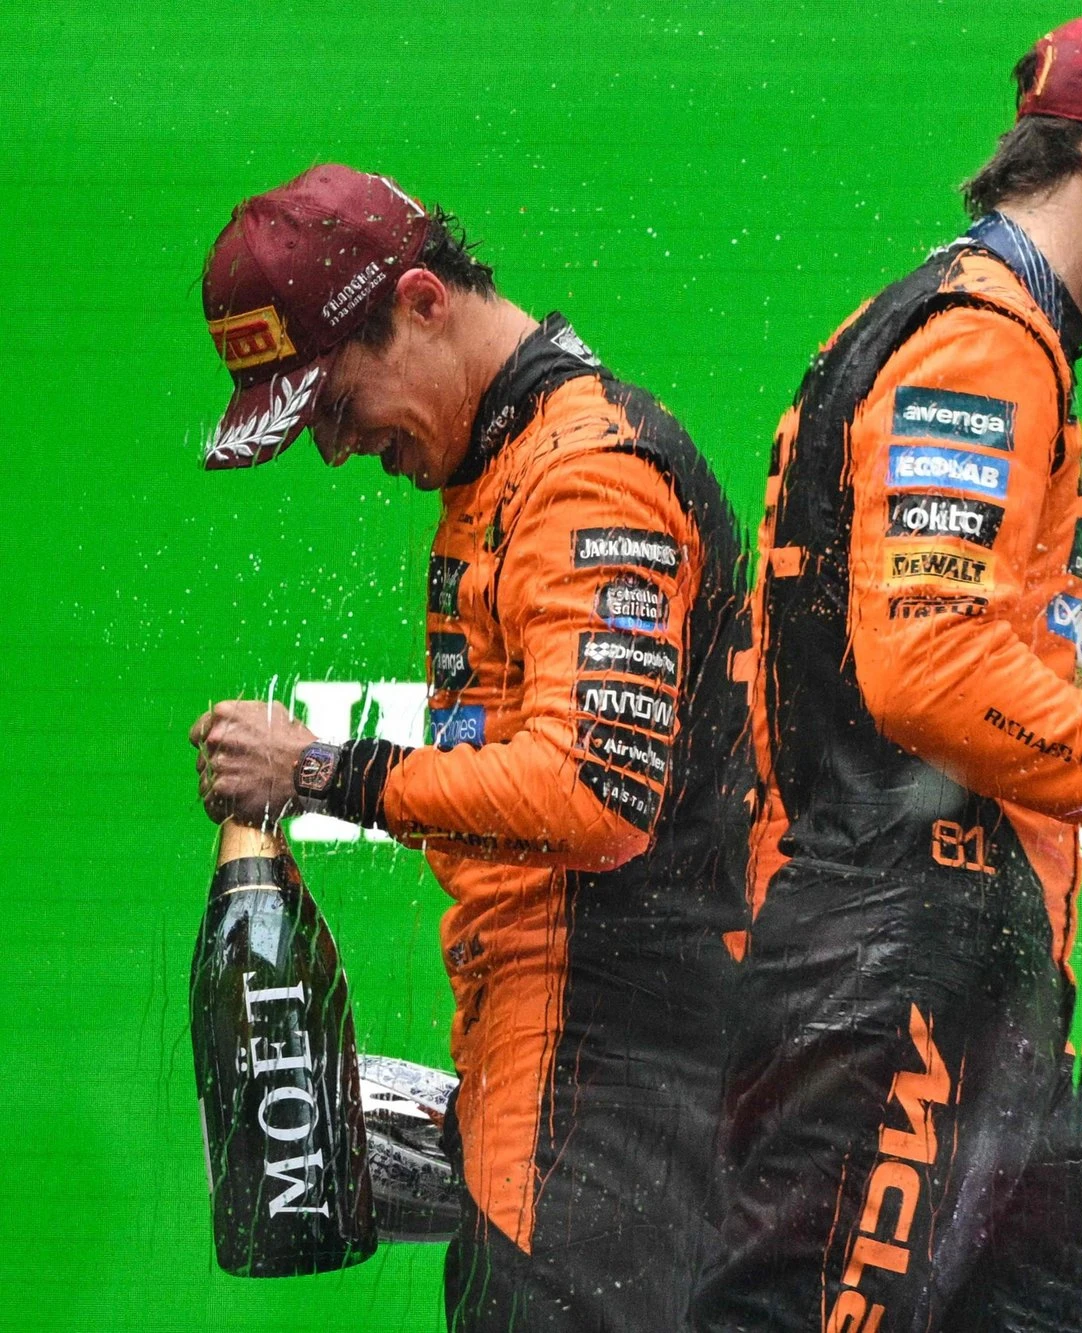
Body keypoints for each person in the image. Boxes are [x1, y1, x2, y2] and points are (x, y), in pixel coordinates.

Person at [693, 13, 1082, 1331]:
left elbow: (948, 676)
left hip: (967, 973)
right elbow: (929, 673)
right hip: (895, 967)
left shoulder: (984, 330)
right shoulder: (977, 338)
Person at [187, 164, 747, 1331]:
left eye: (334, 405)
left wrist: (320, 771)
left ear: (423, 302)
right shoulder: (502, 468)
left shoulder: (586, 475)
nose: (335, 450)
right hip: (565, 1098)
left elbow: (594, 794)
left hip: (608, 1103)